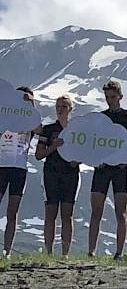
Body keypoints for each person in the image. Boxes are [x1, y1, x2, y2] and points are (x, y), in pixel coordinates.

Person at [88, 80, 127, 260]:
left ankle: (119, 253)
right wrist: (97, 160)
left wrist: (124, 159)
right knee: (96, 211)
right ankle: (91, 252)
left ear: (120, 97)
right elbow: (93, 143)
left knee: (121, 211)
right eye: (107, 97)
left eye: (113, 97)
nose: (110, 101)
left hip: (121, 170)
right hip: (102, 169)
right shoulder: (99, 118)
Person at [35, 95, 80, 258]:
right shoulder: (48, 129)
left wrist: (78, 160)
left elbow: (86, 151)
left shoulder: (77, 130)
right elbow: (39, 155)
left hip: (71, 175)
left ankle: (65, 254)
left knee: (67, 214)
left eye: (64, 106)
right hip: (51, 174)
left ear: (70, 109)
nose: (60, 109)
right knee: (51, 213)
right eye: (58, 106)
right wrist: (53, 147)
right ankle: (49, 253)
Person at [0, 86, 41, 258]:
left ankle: (7, 252)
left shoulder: (30, 120)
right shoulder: (4, 116)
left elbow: (39, 130)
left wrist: (31, 105)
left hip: (19, 169)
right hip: (1, 166)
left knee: (12, 211)